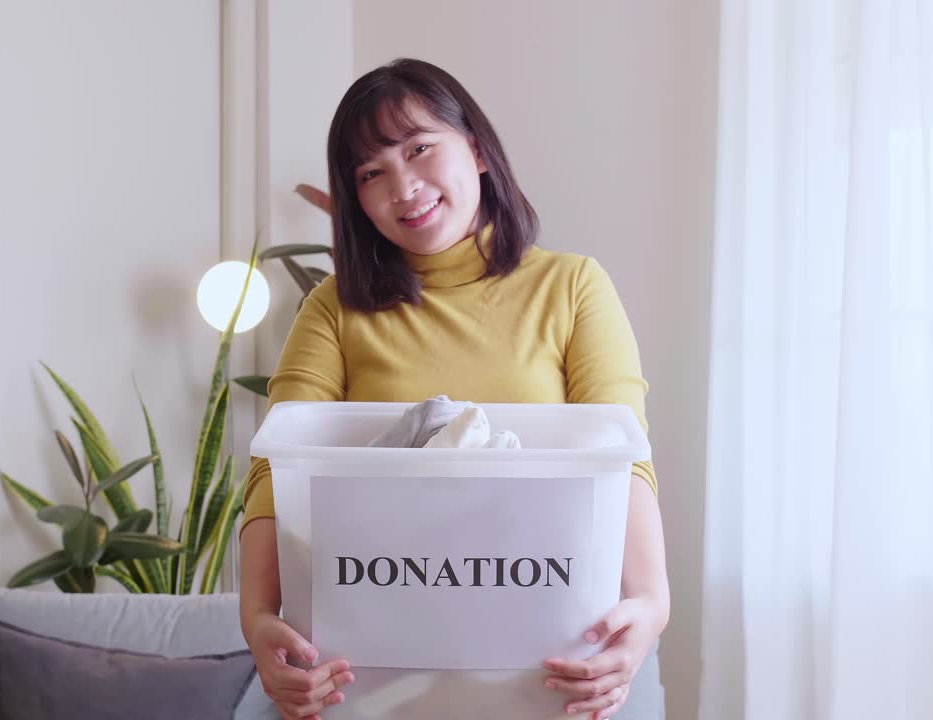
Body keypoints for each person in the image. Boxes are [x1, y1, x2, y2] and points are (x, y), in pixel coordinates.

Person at [238, 58, 670, 720]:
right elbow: (277, 464)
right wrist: (258, 617)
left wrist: (649, 604)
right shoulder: (334, 308)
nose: (403, 186)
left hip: (548, 653)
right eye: (371, 172)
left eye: (419, 149)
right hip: (376, 656)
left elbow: (623, 453)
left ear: (476, 147)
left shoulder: (574, 287)